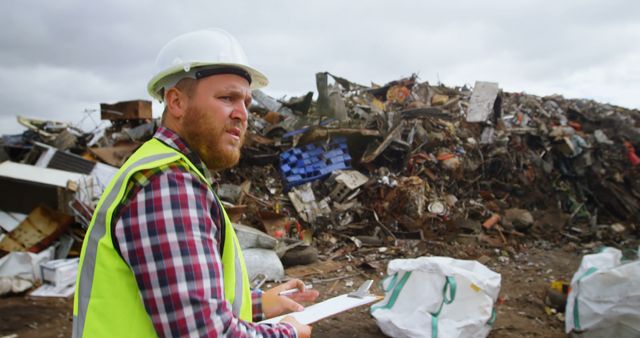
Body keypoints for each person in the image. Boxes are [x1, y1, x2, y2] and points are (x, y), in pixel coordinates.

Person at [72, 28, 319, 337]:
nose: (243, 114)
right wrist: (288, 333)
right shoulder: (168, 185)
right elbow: (203, 333)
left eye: (247, 102)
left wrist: (261, 303)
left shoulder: (164, 168)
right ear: (176, 102)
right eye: (227, 97)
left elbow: (177, 297)